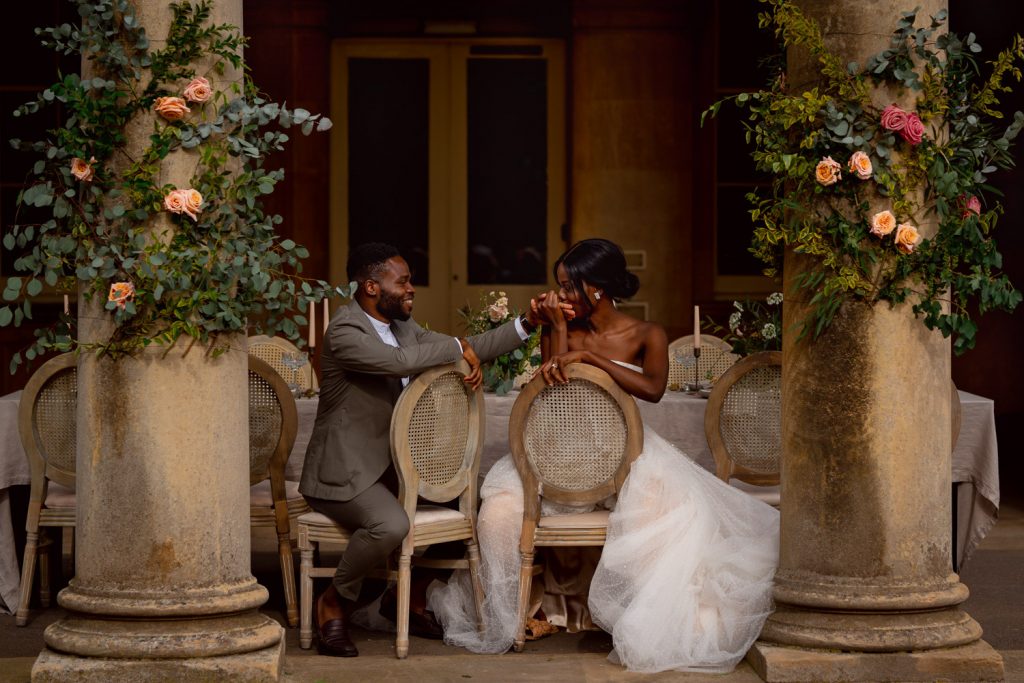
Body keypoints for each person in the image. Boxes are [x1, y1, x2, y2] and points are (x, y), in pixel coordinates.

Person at [429, 238, 780, 673]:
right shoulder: (559, 327)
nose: (560, 297)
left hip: (624, 454)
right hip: (556, 449)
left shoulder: (647, 333)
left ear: (596, 287)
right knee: (498, 510)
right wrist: (557, 327)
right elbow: (556, 386)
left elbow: (652, 389)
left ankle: (632, 618)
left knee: (664, 514)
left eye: (567, 287)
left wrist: (590, 354)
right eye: (558, 287)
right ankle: (507, 617)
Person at [299, 242, 543, 657]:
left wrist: (525, 323)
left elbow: (466, 346)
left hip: (396, 469)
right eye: (404, 281)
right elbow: (398, 363)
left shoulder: (402, 328)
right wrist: (454, 349)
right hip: (344, 473)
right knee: (390, 526)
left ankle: (404, 600)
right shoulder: (344, 331)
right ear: (371, 287)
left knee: (481, 502)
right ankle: (335, 599)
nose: (412, 289)